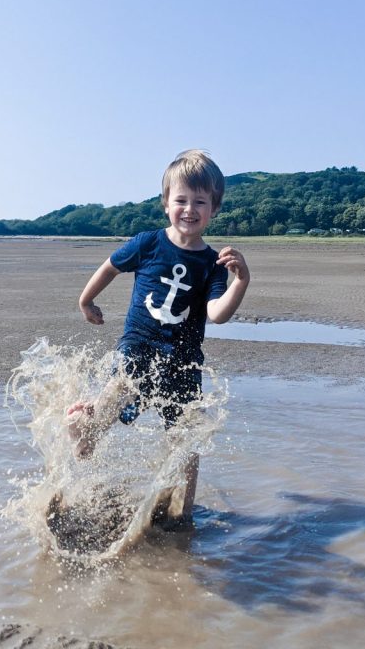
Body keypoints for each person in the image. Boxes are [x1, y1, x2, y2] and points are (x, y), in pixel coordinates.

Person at [67, 149, 250, 525]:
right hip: (139, 346)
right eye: (181, 199)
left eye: (200, 201)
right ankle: (82, 428)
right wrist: (86, 301)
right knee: (112, 402)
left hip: (183, 361)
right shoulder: (148, 243)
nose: (189, 209)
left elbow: (216, 314)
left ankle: (183, 510)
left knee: (185, 438)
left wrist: (241, 282)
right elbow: (110, 267)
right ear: (166, 203)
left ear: (214, 208)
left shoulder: (212, 264)